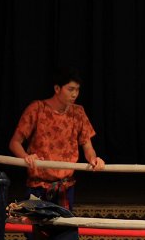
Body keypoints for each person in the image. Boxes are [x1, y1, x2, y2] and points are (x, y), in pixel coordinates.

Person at [9, 67, 105, 210]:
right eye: (70, 89)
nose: (74, 94)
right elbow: (14, 143)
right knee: (37, 230)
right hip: (38, 186)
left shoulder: (78, 112)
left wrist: (93, 159)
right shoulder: (37, 109)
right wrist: (26, 157)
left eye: (77, 90)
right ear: (57, 88)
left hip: (66, 187)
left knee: (65, 231)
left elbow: (87, 146)